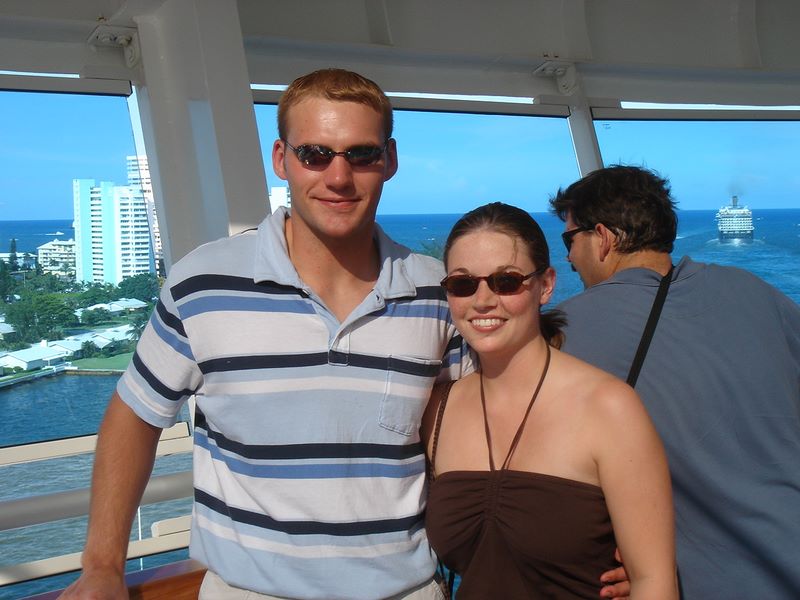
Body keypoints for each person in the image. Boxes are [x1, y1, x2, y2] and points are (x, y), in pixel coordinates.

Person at [61, 69, 630, 600]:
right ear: (282, 159)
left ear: (390, 160)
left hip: (404, 590)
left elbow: (497, 421)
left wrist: (585, 536)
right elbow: (135, 416)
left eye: (361, 154)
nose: (338, 176)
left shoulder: (437, 292)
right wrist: (103, 565)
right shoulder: (203, 284)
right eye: (315, 154)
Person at [550, 165, 800, 599]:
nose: (569, 256)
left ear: (604, 238)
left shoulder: (564, 334)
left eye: (570, 239)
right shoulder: (760, 294)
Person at [423, 202, 677, 599]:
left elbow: (653, 582)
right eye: (462, 284)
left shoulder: (608, 408)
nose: (483, 300)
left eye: (506, 282)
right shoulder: (439, 409)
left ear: (546, 285)